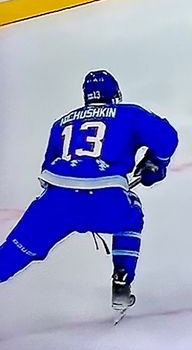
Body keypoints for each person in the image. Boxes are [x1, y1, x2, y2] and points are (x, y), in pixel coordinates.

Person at [0, 70, 178, 318]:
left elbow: (47, 166)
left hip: (56, 202)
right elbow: (167, 137)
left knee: (13, 253)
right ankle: (122, 281)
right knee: (131, 214)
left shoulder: (62, 123)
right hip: (106, 200)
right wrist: (155, 163)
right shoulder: (128, 113)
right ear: (114, 94)